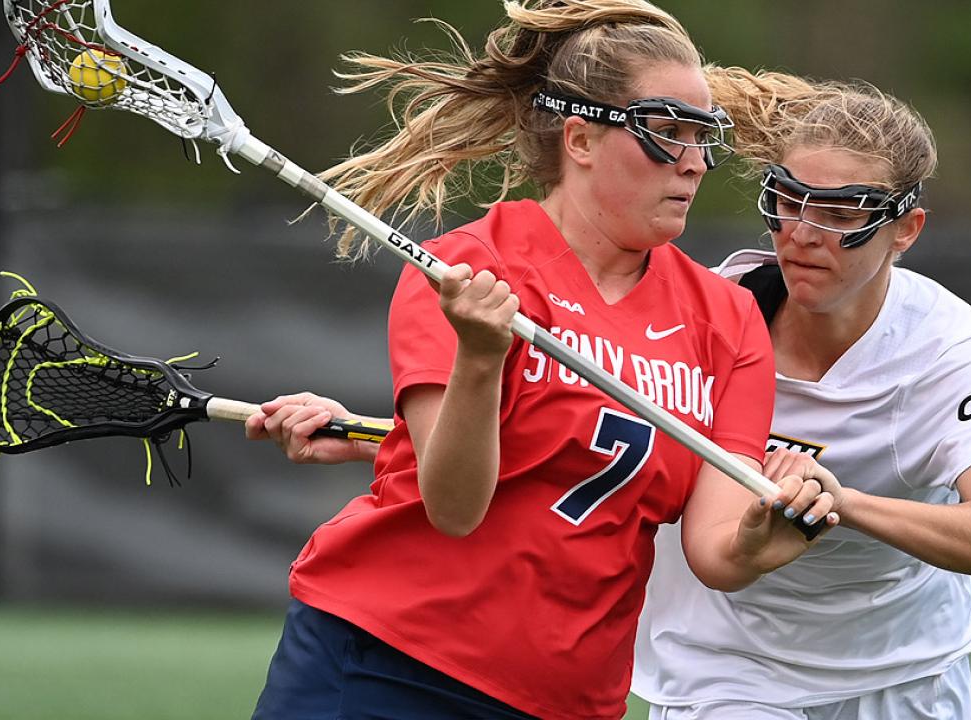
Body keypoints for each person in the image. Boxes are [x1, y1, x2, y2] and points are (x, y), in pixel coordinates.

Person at [244, 3, 839, 719]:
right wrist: (479, 358)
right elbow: (455, 507)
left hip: (566, 698)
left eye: (702, 139)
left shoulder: (728, 318)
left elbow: (715, 550)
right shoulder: (473, 269)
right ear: (581, 140)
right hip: (387, 664)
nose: (693, 163)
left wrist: (762, 539)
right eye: (664, 135)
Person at [631, 75, 971, 719]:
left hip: (903, 667)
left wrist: (838, 504)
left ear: (905, 230)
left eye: (841, 215)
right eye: (787, 201)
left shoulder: (948, 349)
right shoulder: (705, 316)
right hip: (725, 665)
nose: (801, 234)